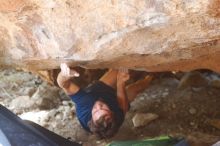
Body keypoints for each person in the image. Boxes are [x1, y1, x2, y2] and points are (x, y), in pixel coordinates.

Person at [57, 63, 153, 138]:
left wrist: (64, 75)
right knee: (136, 88)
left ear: (92, 117)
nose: (98, 105)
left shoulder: (85, 103)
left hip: (97, 91)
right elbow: (122, 105)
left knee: (118, 68)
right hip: (109, 98)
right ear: (112, 112)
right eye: (103, 108)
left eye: (95, 111)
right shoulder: (117, 117)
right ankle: (151, 76)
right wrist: (120, 82)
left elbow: (65, 85)